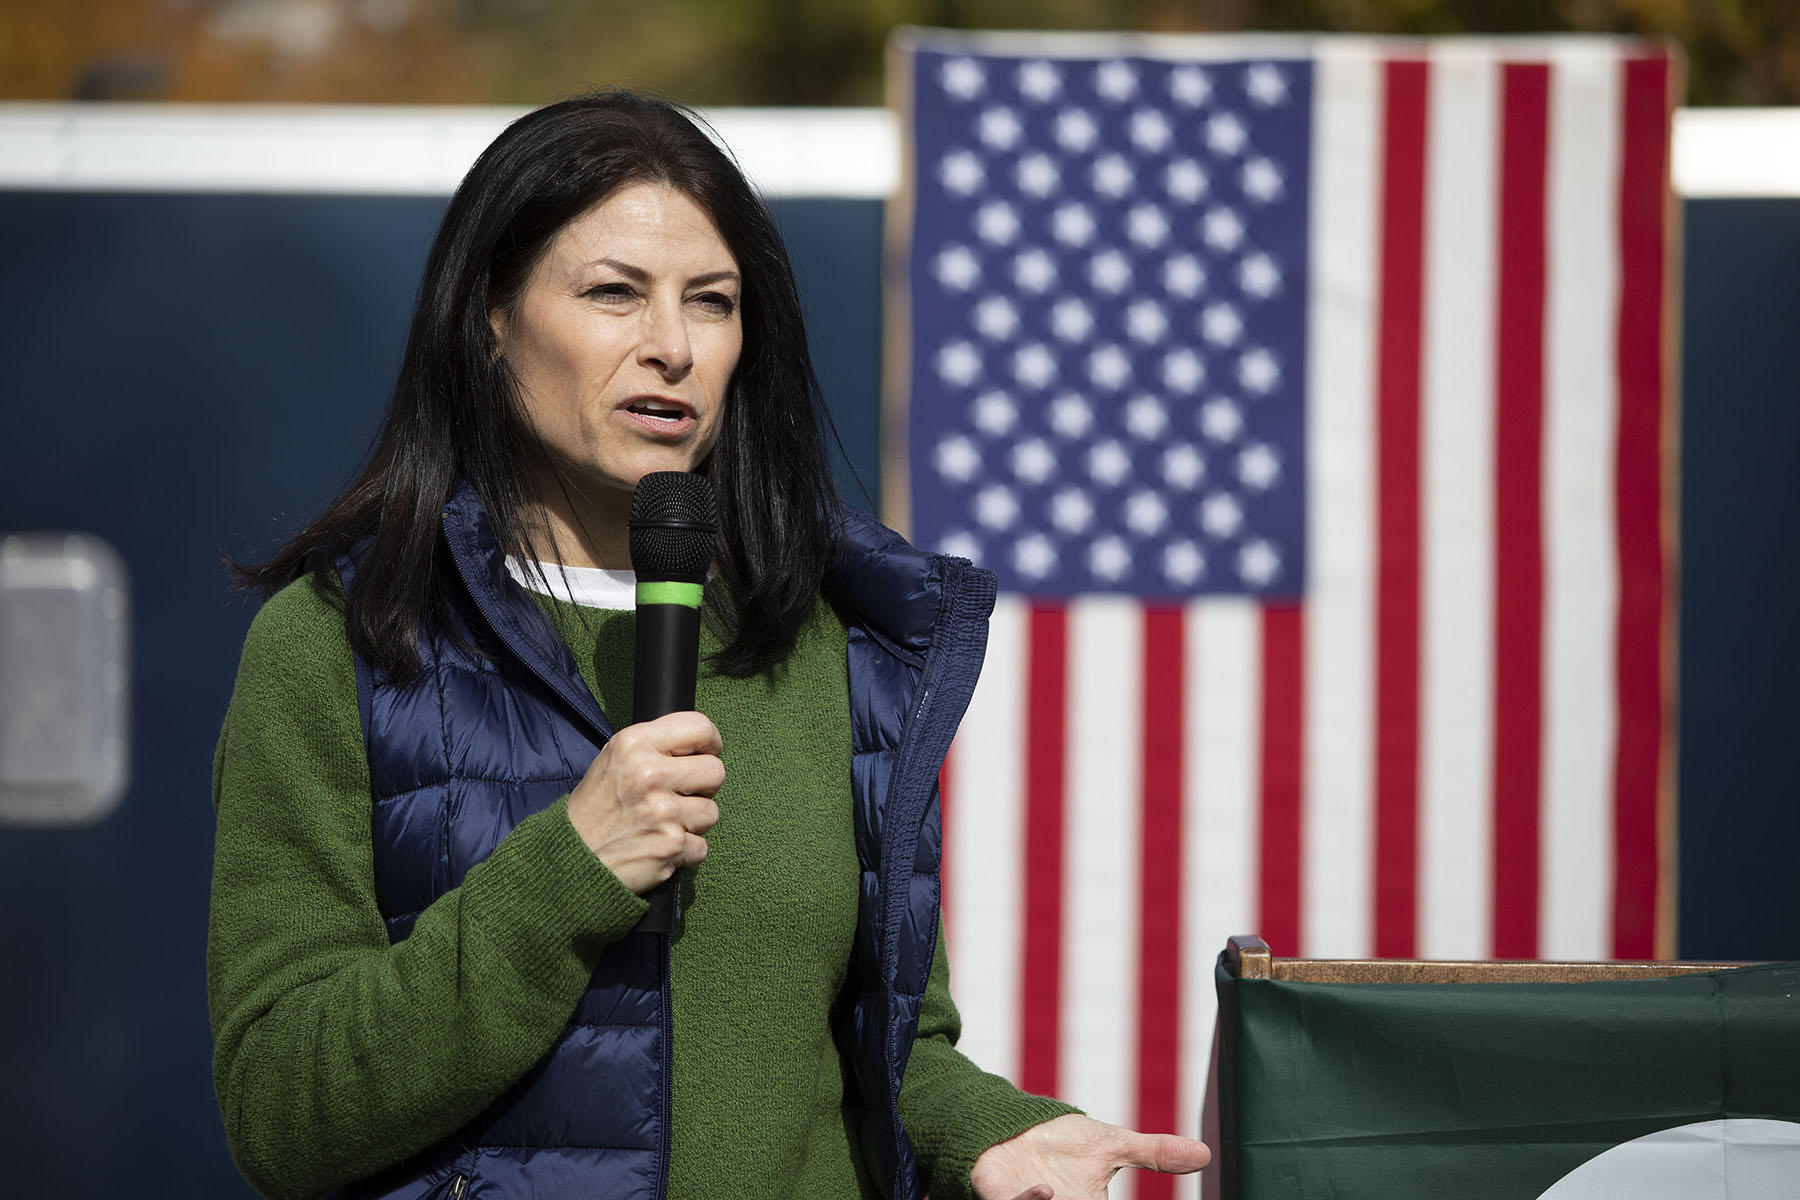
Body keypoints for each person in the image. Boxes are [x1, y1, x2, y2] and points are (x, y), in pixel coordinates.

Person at [208, 88, 1211, 1200]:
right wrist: (566, 870)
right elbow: (282, 1108)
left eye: (713, 302)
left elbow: (889, 1053)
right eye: (613, 293)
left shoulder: (828, 647)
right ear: (489, 317)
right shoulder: (338, 645)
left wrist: (997, 1134)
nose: (673, 347)